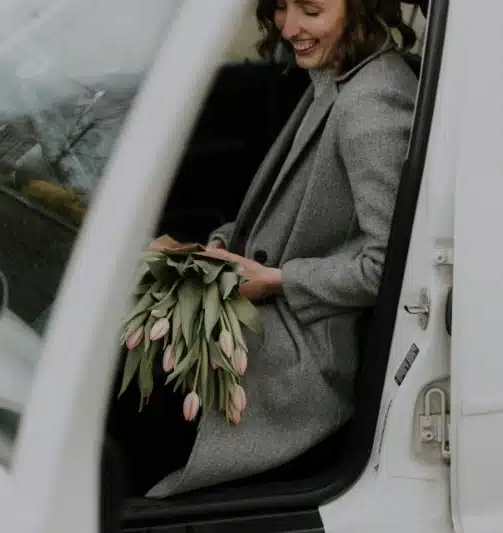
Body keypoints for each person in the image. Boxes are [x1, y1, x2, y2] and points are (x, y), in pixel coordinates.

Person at [112, 0, 419, 498]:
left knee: (118, 402)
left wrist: (276, 280)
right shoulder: (336, 77)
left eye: (312, 12)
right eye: (281, 7)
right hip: (268, 312)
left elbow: (391, 266)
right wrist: (208, 251)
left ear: (362, 10)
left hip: (299, 355)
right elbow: (284, 220)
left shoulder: (372, 104)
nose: (290, 28)